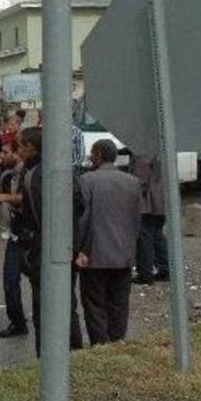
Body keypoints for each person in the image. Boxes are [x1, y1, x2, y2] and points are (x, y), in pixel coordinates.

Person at [15, 127, 85, 356]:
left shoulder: (35, 175)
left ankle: (47, 358)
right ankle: (72, 352)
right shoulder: (61, 170)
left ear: (30, 147)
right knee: (66, 303)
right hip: (63, 247)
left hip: (45, 248)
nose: (18, 151)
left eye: (20, 146)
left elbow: (37, 213)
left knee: (45, 308)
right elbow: (79, 205)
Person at [76, 139, 142, 345]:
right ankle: (118, 342)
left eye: (92, 154)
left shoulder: (87, 180)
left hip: (95, 254)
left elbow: (82, 219)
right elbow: (136, 218)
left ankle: (100, 345)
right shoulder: (132, 181)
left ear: (98, 156)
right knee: (120, 302)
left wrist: (79, 250)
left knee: (95, 303)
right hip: (124, 254)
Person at [0, 140, 28, 338]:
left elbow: (22, 198)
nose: (2, 156)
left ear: (18, 152)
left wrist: (1, 198)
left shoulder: (30, 172)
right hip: (15, 235)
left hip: (31, 235)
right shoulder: (7, 174)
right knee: (10, 281)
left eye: (5, 152)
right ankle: (18, 322)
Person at [128, 152, 168, 284]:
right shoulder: (162, 145)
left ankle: (145, 273)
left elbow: (140, 180)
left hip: (148, 203)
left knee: (145, 238)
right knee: (157, 236)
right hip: (161, 200)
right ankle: (165, 269)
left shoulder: (142, 152)